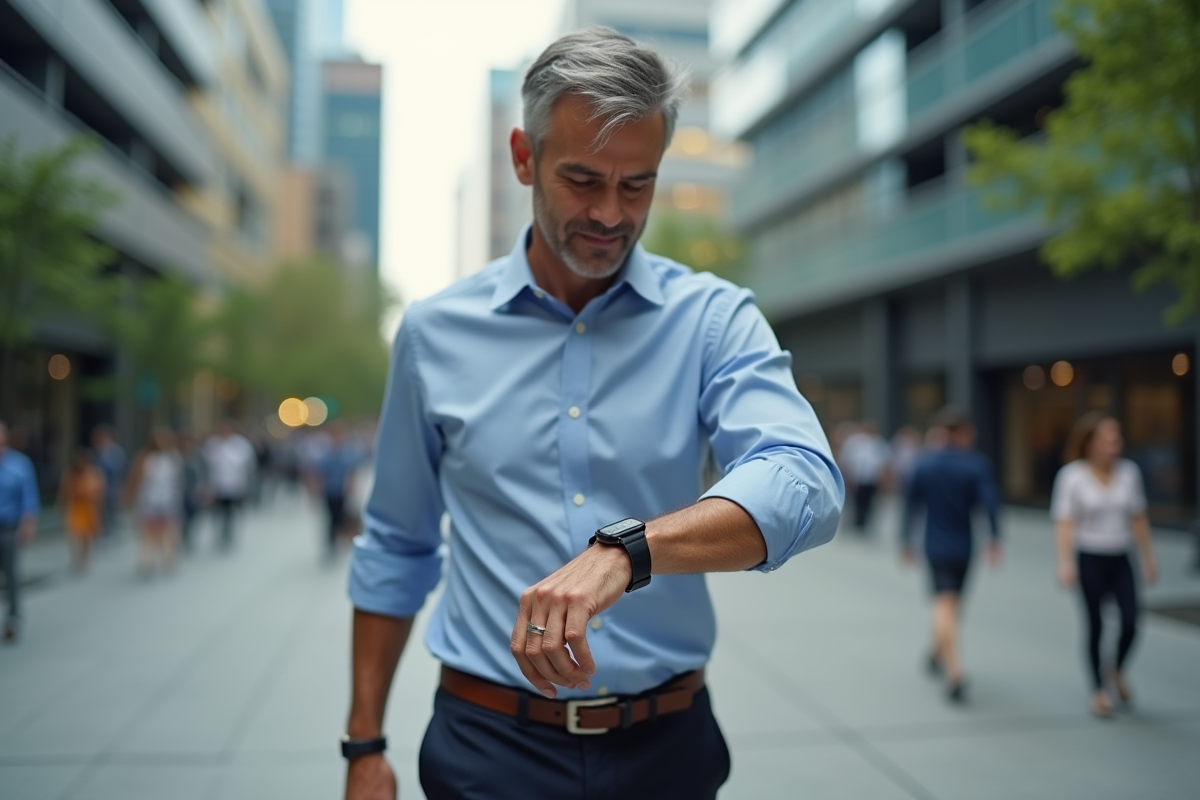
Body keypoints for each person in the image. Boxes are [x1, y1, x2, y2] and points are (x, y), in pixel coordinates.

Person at [342, 28, 844, 800]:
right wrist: (364, 745)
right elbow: (398, 545)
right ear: (523, 157)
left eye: (636, 184)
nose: (611, 213)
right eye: (582, 180)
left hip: (666, 752)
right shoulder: (432, 333)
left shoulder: (714, 319)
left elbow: (804, 480)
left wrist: (626, 552)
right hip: (486, 747)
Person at [1051, 413, 1157, 718]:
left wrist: (1149, 557)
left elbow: (1138, 517)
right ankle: (1098, 689)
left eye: (1117, 438)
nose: (1115, 445)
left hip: (1121, 555)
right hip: (1090, 557)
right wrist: (1065, 562)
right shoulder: (1072, 476)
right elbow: (1064, 523)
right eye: (1109, 439)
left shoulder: (1129, 473)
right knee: (1095, 624)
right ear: (1090, 443)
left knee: (1131, 621)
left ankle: (1116, 668)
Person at [900, 408, 1001, 703]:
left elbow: (911, 505)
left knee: (948, 605)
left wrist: (906, 539)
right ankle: (955, 670)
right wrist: (994, 538)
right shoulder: (975, 465)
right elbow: (989, 503)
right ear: (962, 434)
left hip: (936, 543)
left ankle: (936, 651)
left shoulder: (925, 464)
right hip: (963, 544)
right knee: (950, 604)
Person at [125, 428, 184, 576]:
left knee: (163, 534)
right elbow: (135, 480)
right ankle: (152, 561)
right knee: (153, 535)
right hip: (154, 502)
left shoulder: (171, 457)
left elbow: (177, 481)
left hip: (162, 502)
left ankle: (161, 560)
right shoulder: (149, 458)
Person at [0, 420, 39, 642]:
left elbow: (29, 499)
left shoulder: (19, 464)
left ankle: (13, 620)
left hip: (8, 527)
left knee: (12, 576)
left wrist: (28, 525)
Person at [312, 421, 362, 558]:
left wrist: (352, 488)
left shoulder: (347, 453)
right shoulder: (327, 455)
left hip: (342, 491)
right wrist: (316, 491)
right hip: (329, 491)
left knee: (342, 518)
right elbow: (320, 474)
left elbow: (352, 473)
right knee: (331, 518)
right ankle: (331, 543)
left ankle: (342, 540)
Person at [204, 421, 255, 550]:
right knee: (218, 511)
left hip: (235, 485)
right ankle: (219, 533)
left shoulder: (240, 444)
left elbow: (247, 463)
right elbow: (207, 464)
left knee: (231, 512)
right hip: (217, 485)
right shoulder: (212, 444)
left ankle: (229, 533)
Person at [57, 448, 105, 573]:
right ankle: (76, 559)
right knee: (75, 535)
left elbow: (100, 493)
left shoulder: (94, 474)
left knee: (87, 536)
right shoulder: (69, 476)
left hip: (89, 508)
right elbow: (63, 494)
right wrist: (61, 507)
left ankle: (86, 559)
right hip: (75, 508)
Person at [840, 421, 891, 532]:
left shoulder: (879, 443)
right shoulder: (854, 442)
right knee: (856, 501)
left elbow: (885, 463)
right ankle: (856, 521)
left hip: (872, 478)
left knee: (869, 501)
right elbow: (847, 460)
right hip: (857, 478)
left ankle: (865, 522)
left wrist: (883, 480)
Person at [90, 425, 126, 541]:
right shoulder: (96, 451)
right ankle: (101, 531)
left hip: (111, 487)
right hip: (97, 488)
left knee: (110, 510)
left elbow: (118, 471)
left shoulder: (115, 452)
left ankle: (110, 532)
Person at [178, 431, 209, 553]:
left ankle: (188, 535)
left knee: (193, 515)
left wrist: (205, 488)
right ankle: (183, 535)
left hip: (194, 492)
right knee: (181, 516)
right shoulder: (177, 455)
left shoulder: (199, 456)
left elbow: (204, 473)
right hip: (179, 491)